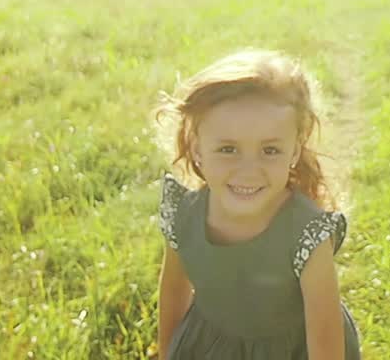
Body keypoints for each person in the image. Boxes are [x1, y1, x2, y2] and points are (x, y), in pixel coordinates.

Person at [153, 49, 361, 359]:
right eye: (227, 149)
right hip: (210, 347)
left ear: (295, 150)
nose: (249, 170)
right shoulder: (184, 215)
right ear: (197, 148)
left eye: (270, 150)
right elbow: (173, 292)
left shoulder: (307, 234)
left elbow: (325, 340)